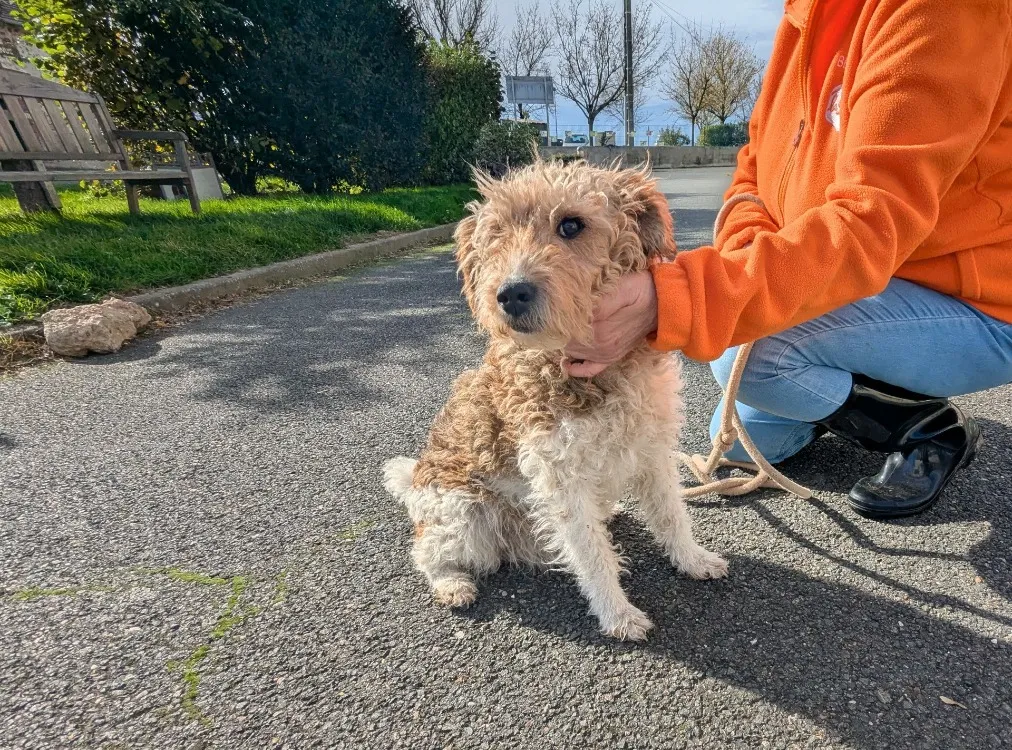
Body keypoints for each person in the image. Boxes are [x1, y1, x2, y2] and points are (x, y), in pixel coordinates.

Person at [563, 0, 1012, 520]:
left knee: (751, 357)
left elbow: (871, 221)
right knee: (735, 440)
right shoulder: (805, 15)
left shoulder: (941, 13)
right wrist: (749, 252)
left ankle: (922, 423)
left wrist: (672, 300)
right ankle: (843, 379)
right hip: (860, 287)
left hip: (976, 302)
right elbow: (753, 173)